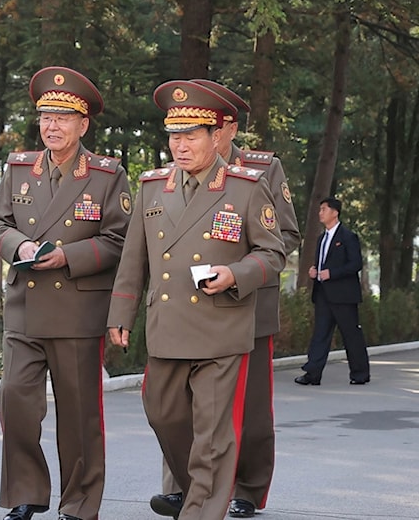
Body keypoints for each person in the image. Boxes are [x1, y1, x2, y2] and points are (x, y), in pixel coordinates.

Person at [106, 80, 285, 520]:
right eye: (174, 137)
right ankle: (202, 485)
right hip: (168, 325)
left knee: (211, 433)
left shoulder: (245, 186)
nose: (180, 146)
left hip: (221, 327)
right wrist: (121, 312)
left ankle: (203, 506)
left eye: (190, 136)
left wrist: (235, 274)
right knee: (162, 413)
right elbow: (133, 260)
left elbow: (273, 251)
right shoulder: (151, 186)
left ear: (215, 137)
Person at [149, 80, 301, 518]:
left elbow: (283, 235)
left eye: (219, 124)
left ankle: (247, 490)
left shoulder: (261, 171)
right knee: (181, 408)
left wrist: (239, 271)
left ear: (226, 128)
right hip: (186, 311)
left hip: (244, 306)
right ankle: (184, 487)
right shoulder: (172, 175)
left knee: (247, 411)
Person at [0, 67, 131, 520]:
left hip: (76, 309)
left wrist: (67, 256)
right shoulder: (18, 169)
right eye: (45, 116)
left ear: (83, 125)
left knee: (79, 416)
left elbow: (120, 241)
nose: (51, 126)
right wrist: (20, 246)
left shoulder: (107, 176)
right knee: (17, 402)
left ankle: (80, 501)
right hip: (25, 307)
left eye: (62, 118)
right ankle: (27, 492)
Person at [297, 196, 370, 385]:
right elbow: (322, 263)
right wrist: (315, 271)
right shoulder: (322, 238)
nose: (320, 213)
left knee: (351, 335)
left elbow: (355, 264)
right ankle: (312, 374)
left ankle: (360, 374)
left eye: (324, 209)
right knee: (320, 334)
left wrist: (332, 273)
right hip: (323, 294)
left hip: (344, 296)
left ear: (335, 212)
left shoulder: (348, 237)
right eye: (320, 209)